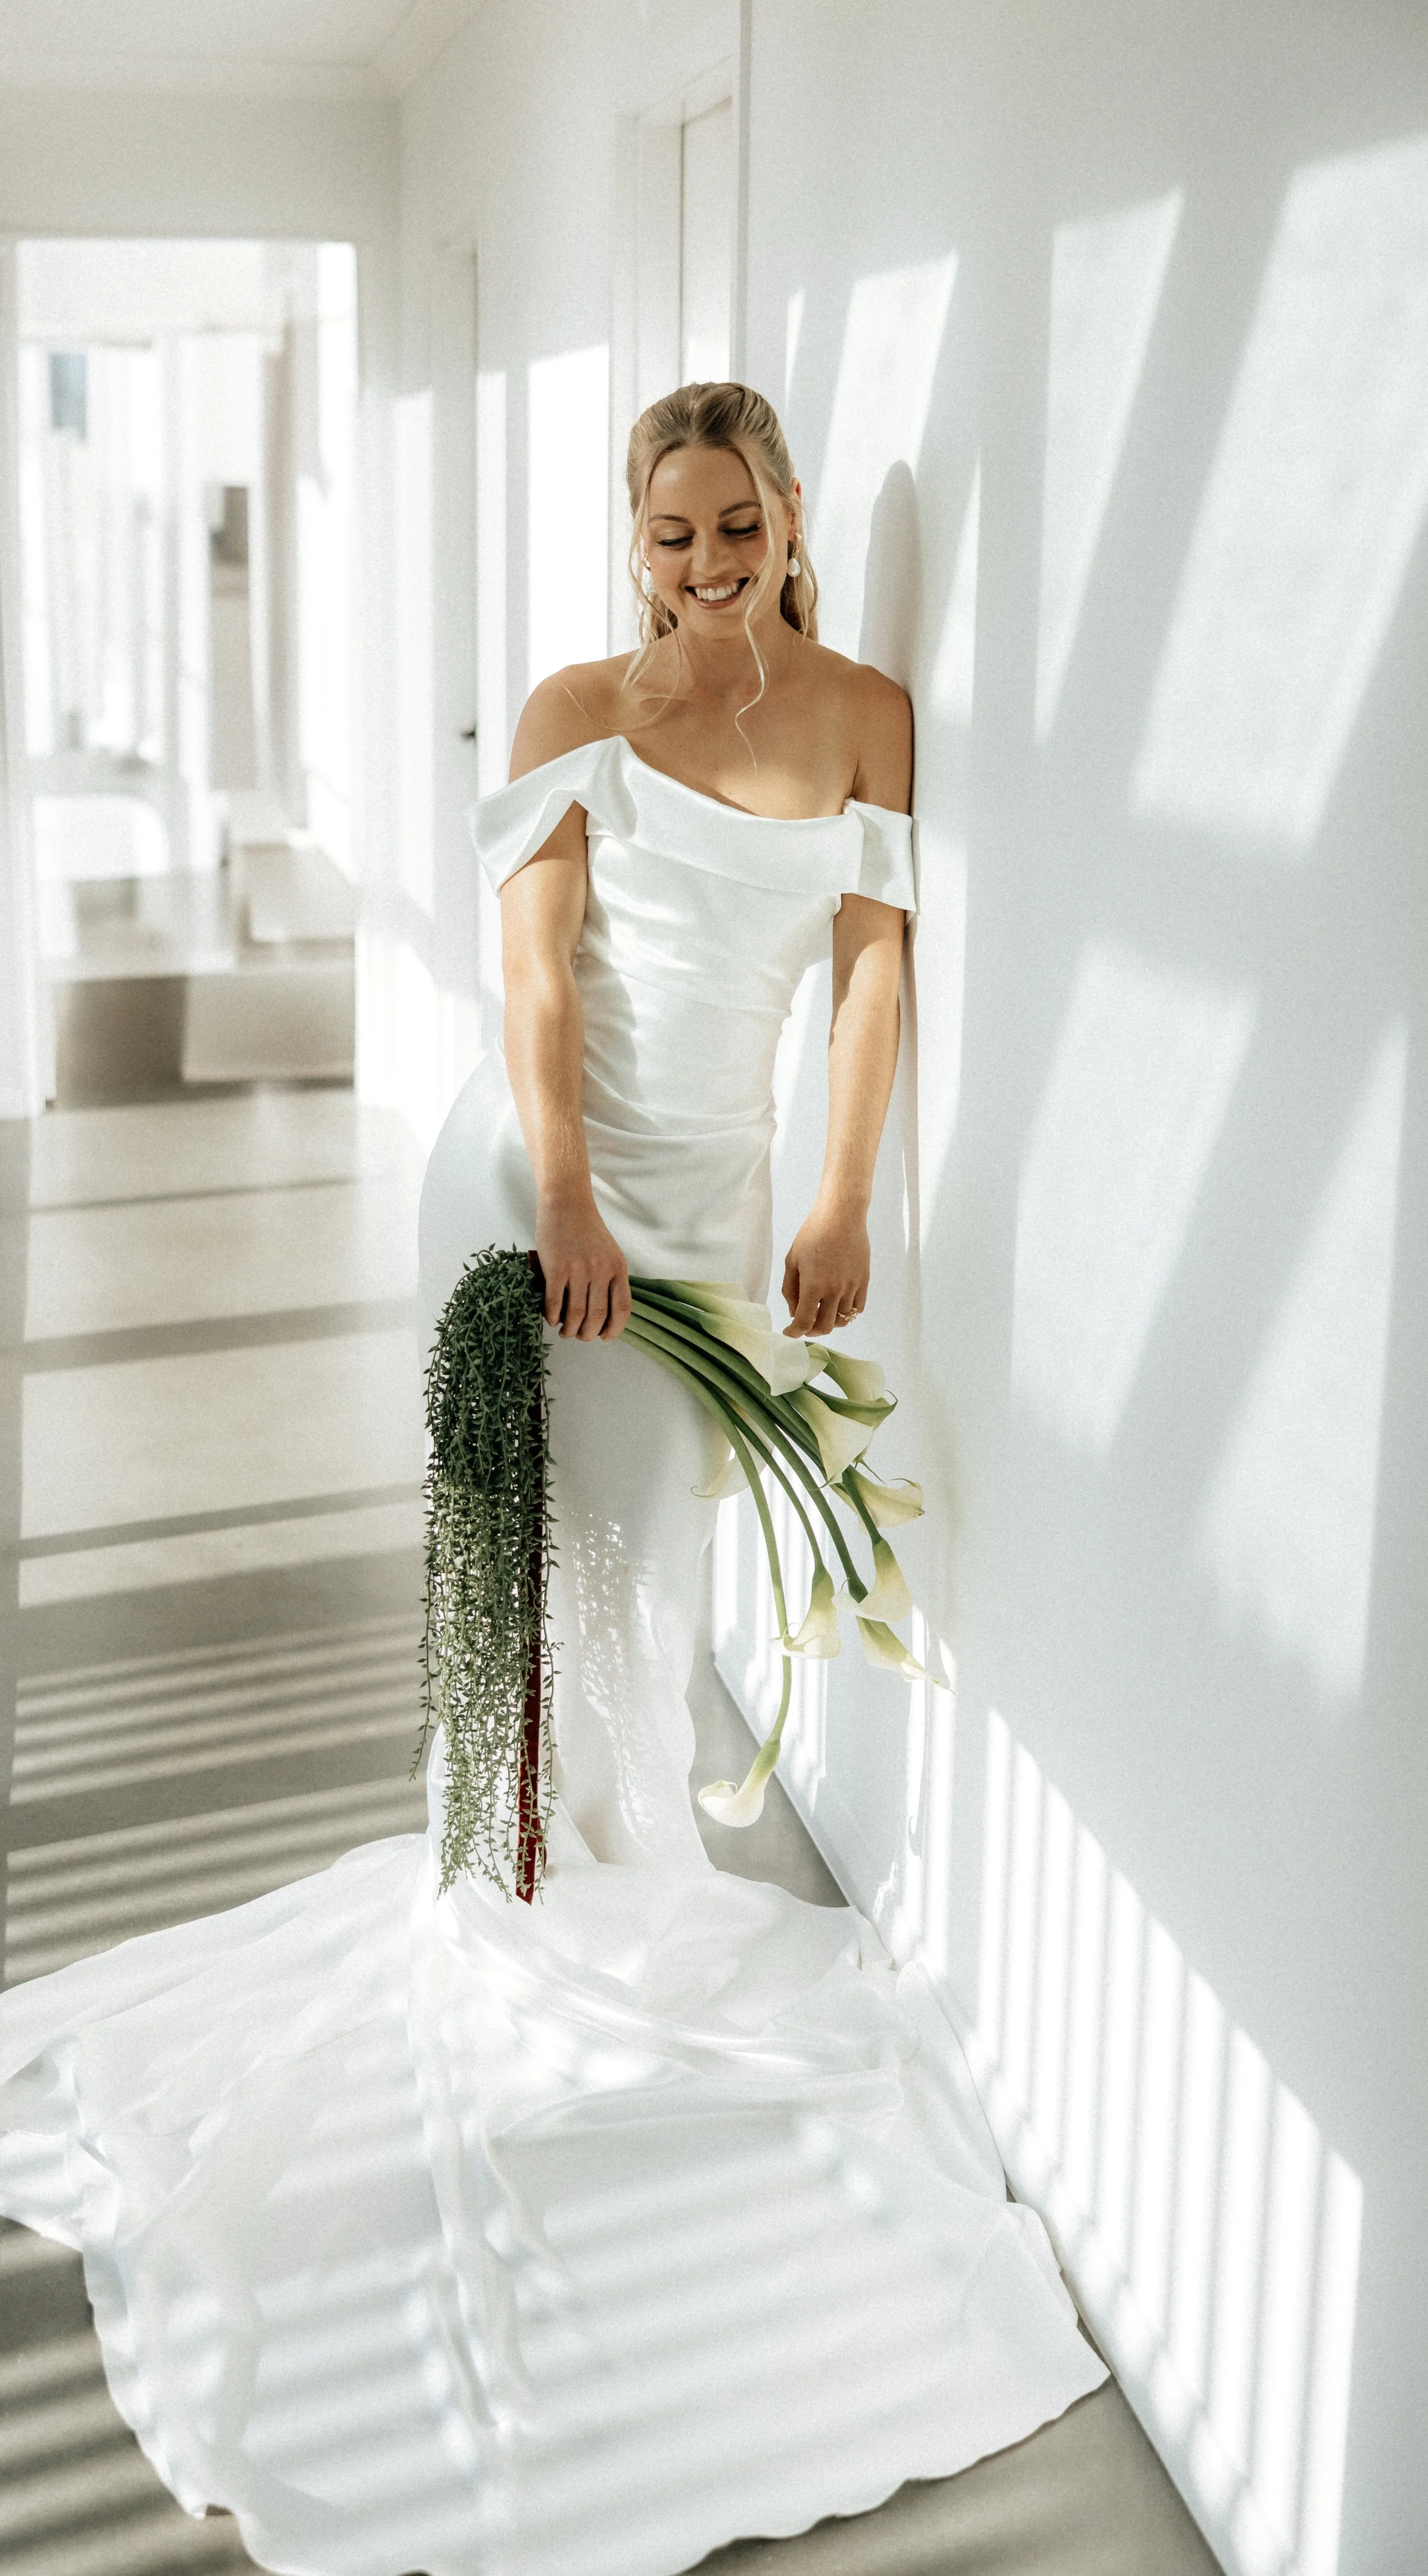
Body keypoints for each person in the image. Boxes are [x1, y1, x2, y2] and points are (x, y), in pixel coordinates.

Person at [0, 383, 1104, 2576]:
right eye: (673, 526)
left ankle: (587, 1884)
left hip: (723, 1205)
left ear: (791, 516)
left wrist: (841, 1195)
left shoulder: (867, 709)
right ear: (638, 537)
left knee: (656, 1561)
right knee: (557, 1575)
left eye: (741, 519)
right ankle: (534, 1904)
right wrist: (571, 1205)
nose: (707, 558)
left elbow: (875, 971)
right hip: (545, 1191)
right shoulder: (572, 704)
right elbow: (530, 976)